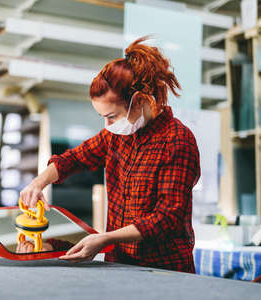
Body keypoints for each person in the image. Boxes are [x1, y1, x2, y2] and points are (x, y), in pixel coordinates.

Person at [19, 37, 200, 273]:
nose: (107, 125)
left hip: (165, 269)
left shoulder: (177, 140)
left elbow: (167, 217)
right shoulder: (117, 136)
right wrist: (38, 182)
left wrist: (105, 239)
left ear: (140, 101)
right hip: (120, 264)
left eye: (112, 116)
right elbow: (75, 158)